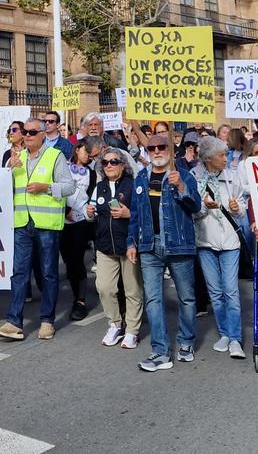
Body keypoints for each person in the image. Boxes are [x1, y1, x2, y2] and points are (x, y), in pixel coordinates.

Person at [0, 117, 76, 341]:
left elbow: (70, 187)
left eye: (32, 132)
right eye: (25, 132)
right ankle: (14, 322)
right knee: (19, 273)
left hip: (46, 224)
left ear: (42, 135)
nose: (27, 136)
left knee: (48, 273)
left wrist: (46, 187)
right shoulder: (17, 158)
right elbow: (4, 189)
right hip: (22, 222)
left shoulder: (54, 156)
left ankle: (47, 320)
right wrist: (8, 169)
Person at [127, 133, 202, 371]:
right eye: (152, 148)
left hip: (179, 245)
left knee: (186, 297)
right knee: (153, 299)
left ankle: (186, 341)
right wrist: (131, 243)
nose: (157, 151)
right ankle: (160, 351)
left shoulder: (184, 175)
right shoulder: (141, 178)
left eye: (162, 147)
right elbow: (135, 214)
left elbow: (196, 206)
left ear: (170, 150)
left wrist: (180, 186)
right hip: (149, 246)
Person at [191, 135, 247, 360]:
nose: (226, 158)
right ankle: (224, 333)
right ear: (208, 158)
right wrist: (204, 206)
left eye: (226, 154)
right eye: (222, 155)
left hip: (230, 242)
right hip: (205, 242)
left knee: (231, 291)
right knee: (215, 292)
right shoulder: (194, 177)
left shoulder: (232, 176)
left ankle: (235, 338)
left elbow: (241, 206)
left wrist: (236, 208)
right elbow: (193, 211)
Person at [87, 143, 143, 349]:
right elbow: (91, 213)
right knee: (104, 287)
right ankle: (115, 324)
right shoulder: (99, 187)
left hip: (128, 244)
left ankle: (132, 330)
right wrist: (89, 213)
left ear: (123, 165)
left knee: (132, 290)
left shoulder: (133, 185)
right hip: (104, 245)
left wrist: (129, 214)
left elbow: (142, 213)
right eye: (105, 162)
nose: (109, 165)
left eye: (114, 162)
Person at [61, 137, 97, 321]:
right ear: (77, 149)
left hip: (81, 220)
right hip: (62, 220)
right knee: (68, 261)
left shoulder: (91, 173)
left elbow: (91, 196)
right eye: (85, 150)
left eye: (90, 152)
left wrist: (87, 212)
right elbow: (57, 190)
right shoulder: (63, 168)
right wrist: (65, 210)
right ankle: (74, 288)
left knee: (77, 259)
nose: (88, 154)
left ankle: (80, 301)